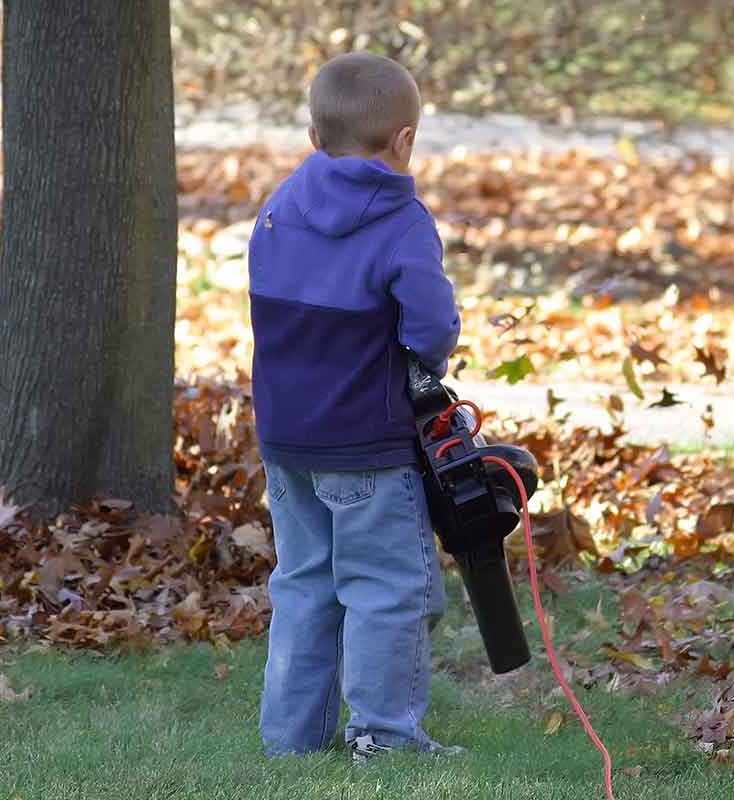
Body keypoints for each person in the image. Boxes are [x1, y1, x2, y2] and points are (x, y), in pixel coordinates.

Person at [248, 51, 466, 764]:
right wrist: (422, 371)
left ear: (315, 137)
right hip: (367, 441)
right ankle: (384, 735)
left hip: (286, 437)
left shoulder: (279, 209)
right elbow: (431, 327)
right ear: (404, 141)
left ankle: (291, 735)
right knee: (387, 587)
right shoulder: (402, 223)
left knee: (305, 582)